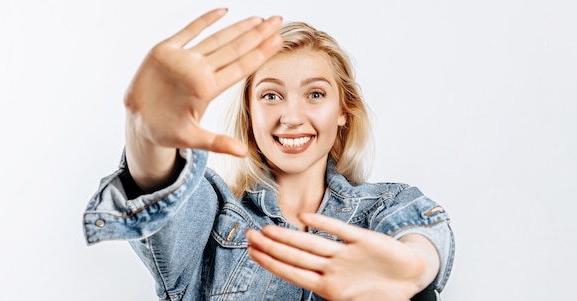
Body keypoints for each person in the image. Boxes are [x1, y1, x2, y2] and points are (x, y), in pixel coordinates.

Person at [83, 8, 454, 301]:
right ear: (249, 113)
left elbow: (421, 237)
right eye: (271, 95)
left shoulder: (385, 205)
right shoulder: (216, 219)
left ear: (344, 110)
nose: (291, 118)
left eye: (315, 94)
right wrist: (145, 129)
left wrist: (413, 268)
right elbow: (159, 185)